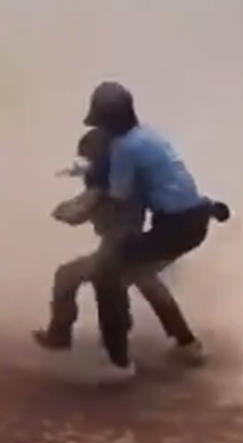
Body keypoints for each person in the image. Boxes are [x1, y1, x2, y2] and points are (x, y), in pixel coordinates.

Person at [81, 82, 229, 382]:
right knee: (143, 274)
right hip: (196, 218)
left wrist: (90, 184)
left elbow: (119, 196)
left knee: (107, 274)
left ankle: (117, 361)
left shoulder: (123, 147)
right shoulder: (149, 135)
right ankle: (187, 343)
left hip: (176, 227)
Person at [32, 127, 202, 370]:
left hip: (118, 246)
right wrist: (80, 173)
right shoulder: (126, 175)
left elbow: (77, 212)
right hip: (132, 243)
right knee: (147, 282)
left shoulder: (108, 187)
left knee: (69, 276)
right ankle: (187, 343)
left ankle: (69, 341)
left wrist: (62, 210)